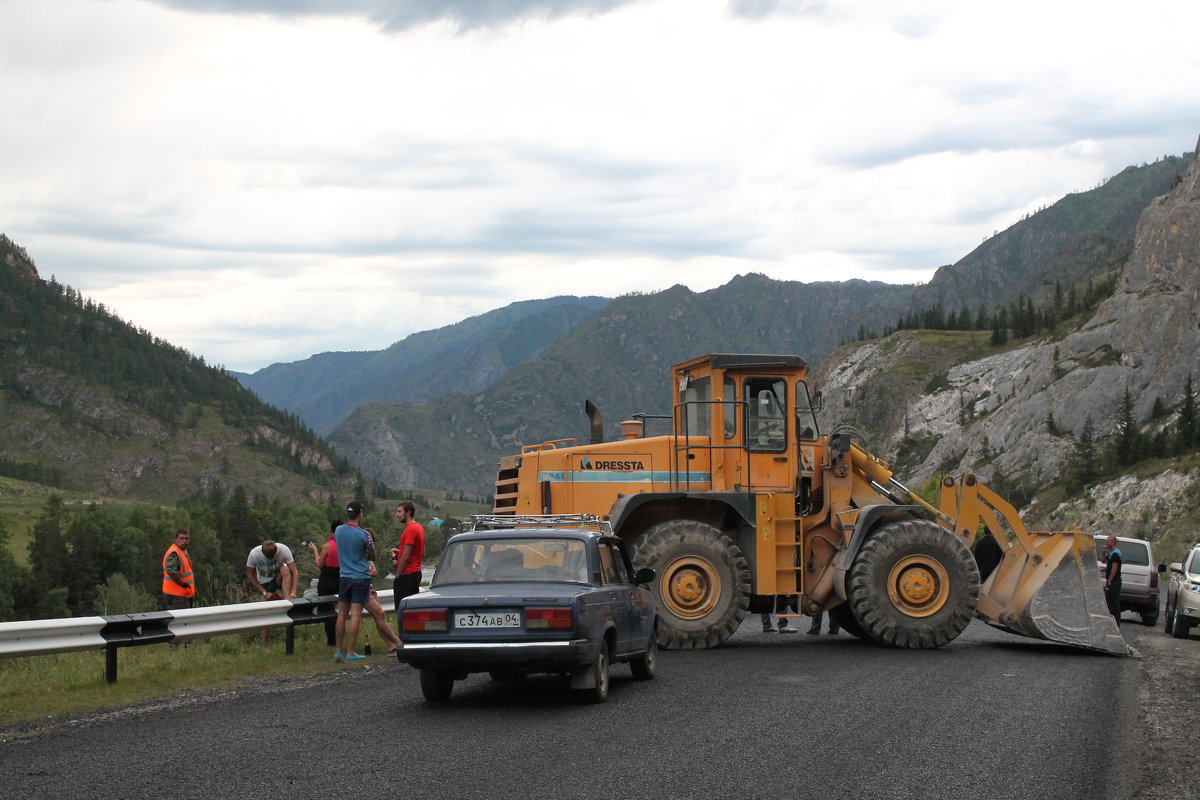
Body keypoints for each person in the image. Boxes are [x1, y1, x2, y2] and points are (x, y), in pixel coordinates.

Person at [334, 500, 375, 661]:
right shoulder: (364, 534)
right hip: (360, 577)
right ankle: (350, 651)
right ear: (360, 514)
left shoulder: (338, 530)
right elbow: (373, 555)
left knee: (342, 613)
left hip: (344, 576)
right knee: (355, 614)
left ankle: (338, 650)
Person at [245, 540, 299, 651]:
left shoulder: (284, 550)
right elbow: (250, 575)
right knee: (266, 612)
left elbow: (294, 571)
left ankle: (287, 599)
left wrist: (293, 591)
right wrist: (264, 592)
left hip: (279, 577)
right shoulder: (254, 554)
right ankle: (265, 646)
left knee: (285, 569)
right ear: (262, 551)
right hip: (264, 582)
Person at [308, 522, 341, 647]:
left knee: (328, 612)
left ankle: (331, 641)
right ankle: (341, 639)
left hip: (327, 580)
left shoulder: (327, 546)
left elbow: (320, 564)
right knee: (343, 610)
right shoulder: (345, 544)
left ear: (331, 531)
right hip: (342, 578)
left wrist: (315, 551)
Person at [390, 500, 426, 615]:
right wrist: (399, 553)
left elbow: (406, 557)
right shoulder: (419, 527)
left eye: (399, 511)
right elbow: (420, 551)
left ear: (408, 512)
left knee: (402, 612)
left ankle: (404, 633)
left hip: (406, 575)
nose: (397, 514)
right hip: (416, 573)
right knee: (411, 611)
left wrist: (398, 575)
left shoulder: (410, 529)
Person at [161, 529, 195, 610]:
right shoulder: (174, 552)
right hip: (176, 595)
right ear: (175, 539)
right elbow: (170, 571)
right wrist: (183, 584)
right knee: (181, 621)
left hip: (182, 595)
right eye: (181, 538)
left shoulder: (182, 551)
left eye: (186, 539)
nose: (184, 541)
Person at [1103, 534, 1123, 623]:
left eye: (1108, 542)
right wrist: (1103, 552)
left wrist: (1110, 580)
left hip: (1114, 581)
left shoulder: (1116, 553)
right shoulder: (1111, 553)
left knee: (1114, 602)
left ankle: (1116, 622)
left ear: (1112, 542)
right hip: (1111, 580)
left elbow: (1114, 568)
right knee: (1109, 601)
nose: (1106, 543)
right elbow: (1105, 561)